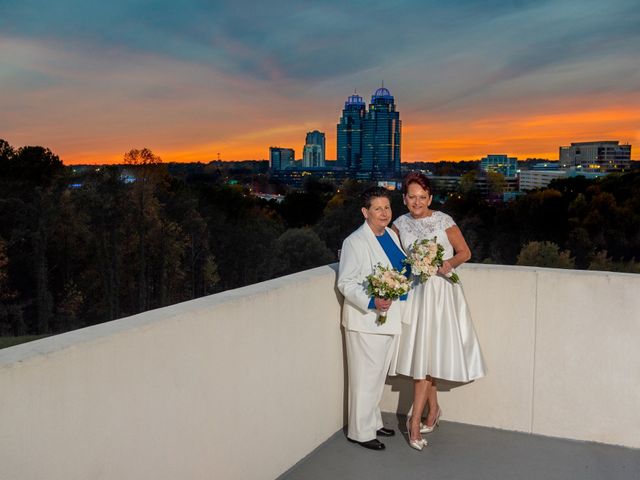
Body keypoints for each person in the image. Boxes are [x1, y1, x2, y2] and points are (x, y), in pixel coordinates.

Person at [391, 172, 486, 450]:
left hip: (441, 294)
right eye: (412, 197)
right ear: (405, 198)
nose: (417, 202)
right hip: (416, 294)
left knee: (426, 357)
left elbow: (464, 252)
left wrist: (448, 264)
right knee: (424, 355)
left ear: (430, 198)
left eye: (422, 197)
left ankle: (413, 422)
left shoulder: (443, 220)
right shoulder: (399, 224)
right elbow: (387, 253)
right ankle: (433, 411)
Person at [337, 186, 409, 451]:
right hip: (365, 321)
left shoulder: (390, 234)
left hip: (388, 319)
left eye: (387, 207)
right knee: (365, 379)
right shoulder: (354, 242)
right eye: (377, 208)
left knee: (377, 378)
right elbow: (346, 283)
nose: (384, 213)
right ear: (365, 212)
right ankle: (360, 432)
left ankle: (373, 421)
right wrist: (371, 301)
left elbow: (401, 269)